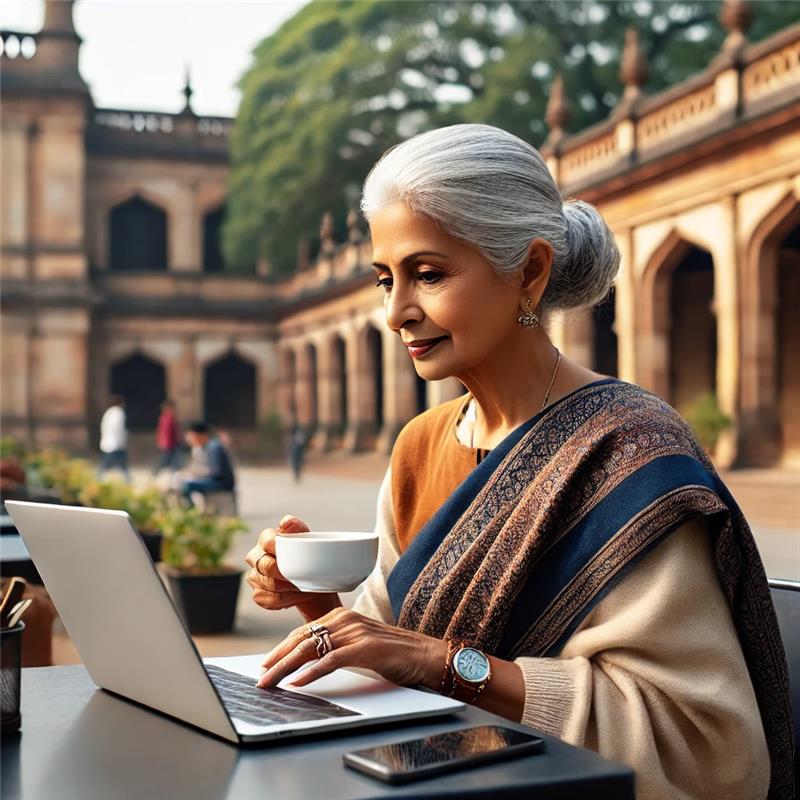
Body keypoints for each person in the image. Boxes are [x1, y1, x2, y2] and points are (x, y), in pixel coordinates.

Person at [244, 125, 792, 800]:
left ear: (529, 272)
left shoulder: (629, 453)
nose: (396, 312)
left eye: (428, 274)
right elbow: (391, 655)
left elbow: (709, 750)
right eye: (386, 279)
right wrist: (319, 609)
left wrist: (445, 664)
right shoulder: (422, 444)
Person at [178, 421, 235, 507]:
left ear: (200, 435)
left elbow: (217, 472)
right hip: (217, 481)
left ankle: (191, 512)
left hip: (222, 483)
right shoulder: (205, 447)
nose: (190, 440)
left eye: (192, 437)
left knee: (186, 487)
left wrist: (197, 475)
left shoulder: (214, 448)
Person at [98, 395, 130, 482]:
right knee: (109, 464)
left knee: (118, 464)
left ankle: (127, 479)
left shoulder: (109, 412)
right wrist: (122, 441)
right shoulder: (118, 413)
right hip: (115, 443)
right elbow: (118, 429)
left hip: (110, 442)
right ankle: (127, 480)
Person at [154, 399, 181, 474]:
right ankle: (155, 472)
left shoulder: (165, 418)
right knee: (167, 461)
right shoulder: (168, 418)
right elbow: (166, 433)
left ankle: (175, 475)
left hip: (170, 444)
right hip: (169, 444)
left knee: (173, 462)